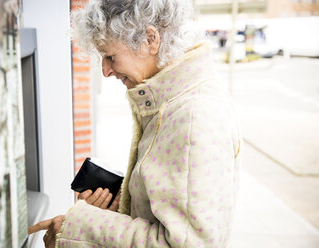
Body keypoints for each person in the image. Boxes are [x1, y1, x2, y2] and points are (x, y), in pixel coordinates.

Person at [29, 0, 242, 247]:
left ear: (150, 40)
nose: (106, 71)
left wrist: (78, 227)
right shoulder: (176, 103)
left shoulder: (192, 116)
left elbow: (186, 243)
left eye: (110, 56)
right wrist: (125, 201)